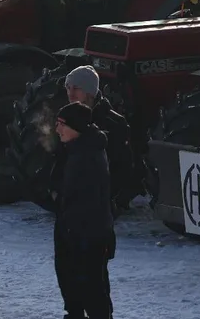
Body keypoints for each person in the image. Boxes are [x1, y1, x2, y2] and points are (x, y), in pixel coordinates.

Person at [53, 101, 115, 319]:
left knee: (91, 291)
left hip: (86, 238)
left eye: (62, 124)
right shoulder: (74, 151)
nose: (56, 129)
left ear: (76, 127)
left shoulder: (87, 156)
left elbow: (87, 202)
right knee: (74, 290)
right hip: (74, 235)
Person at [61, 66, 134, 210]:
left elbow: (123, 167)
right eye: (68, 88)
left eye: (76, 88)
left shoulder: (114, 124)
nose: (70, 93)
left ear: (89, 92)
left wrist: (106, 199)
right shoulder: (64, 120)